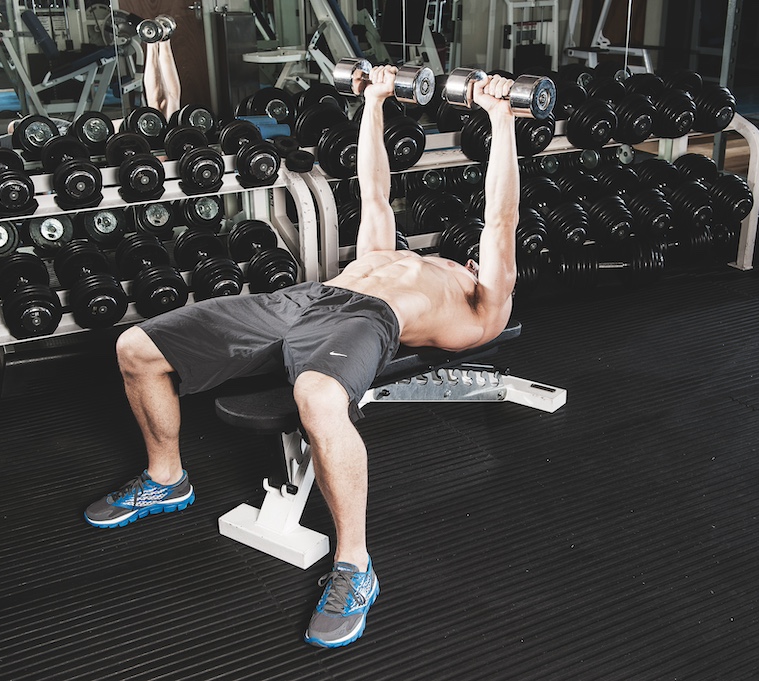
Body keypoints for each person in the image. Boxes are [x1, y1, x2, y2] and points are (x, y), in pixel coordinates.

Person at [84, 66, 520, 648]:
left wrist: (501, 119)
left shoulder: (482, 303)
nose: (457, 254)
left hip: (365, 320)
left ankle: (354, 566)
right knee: (136, 347)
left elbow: (501, 218)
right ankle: (167, 478)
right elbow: (373, 192)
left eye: (470, 258)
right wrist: (373, 102)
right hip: (307, 299)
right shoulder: (393, 255)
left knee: (317, 397)